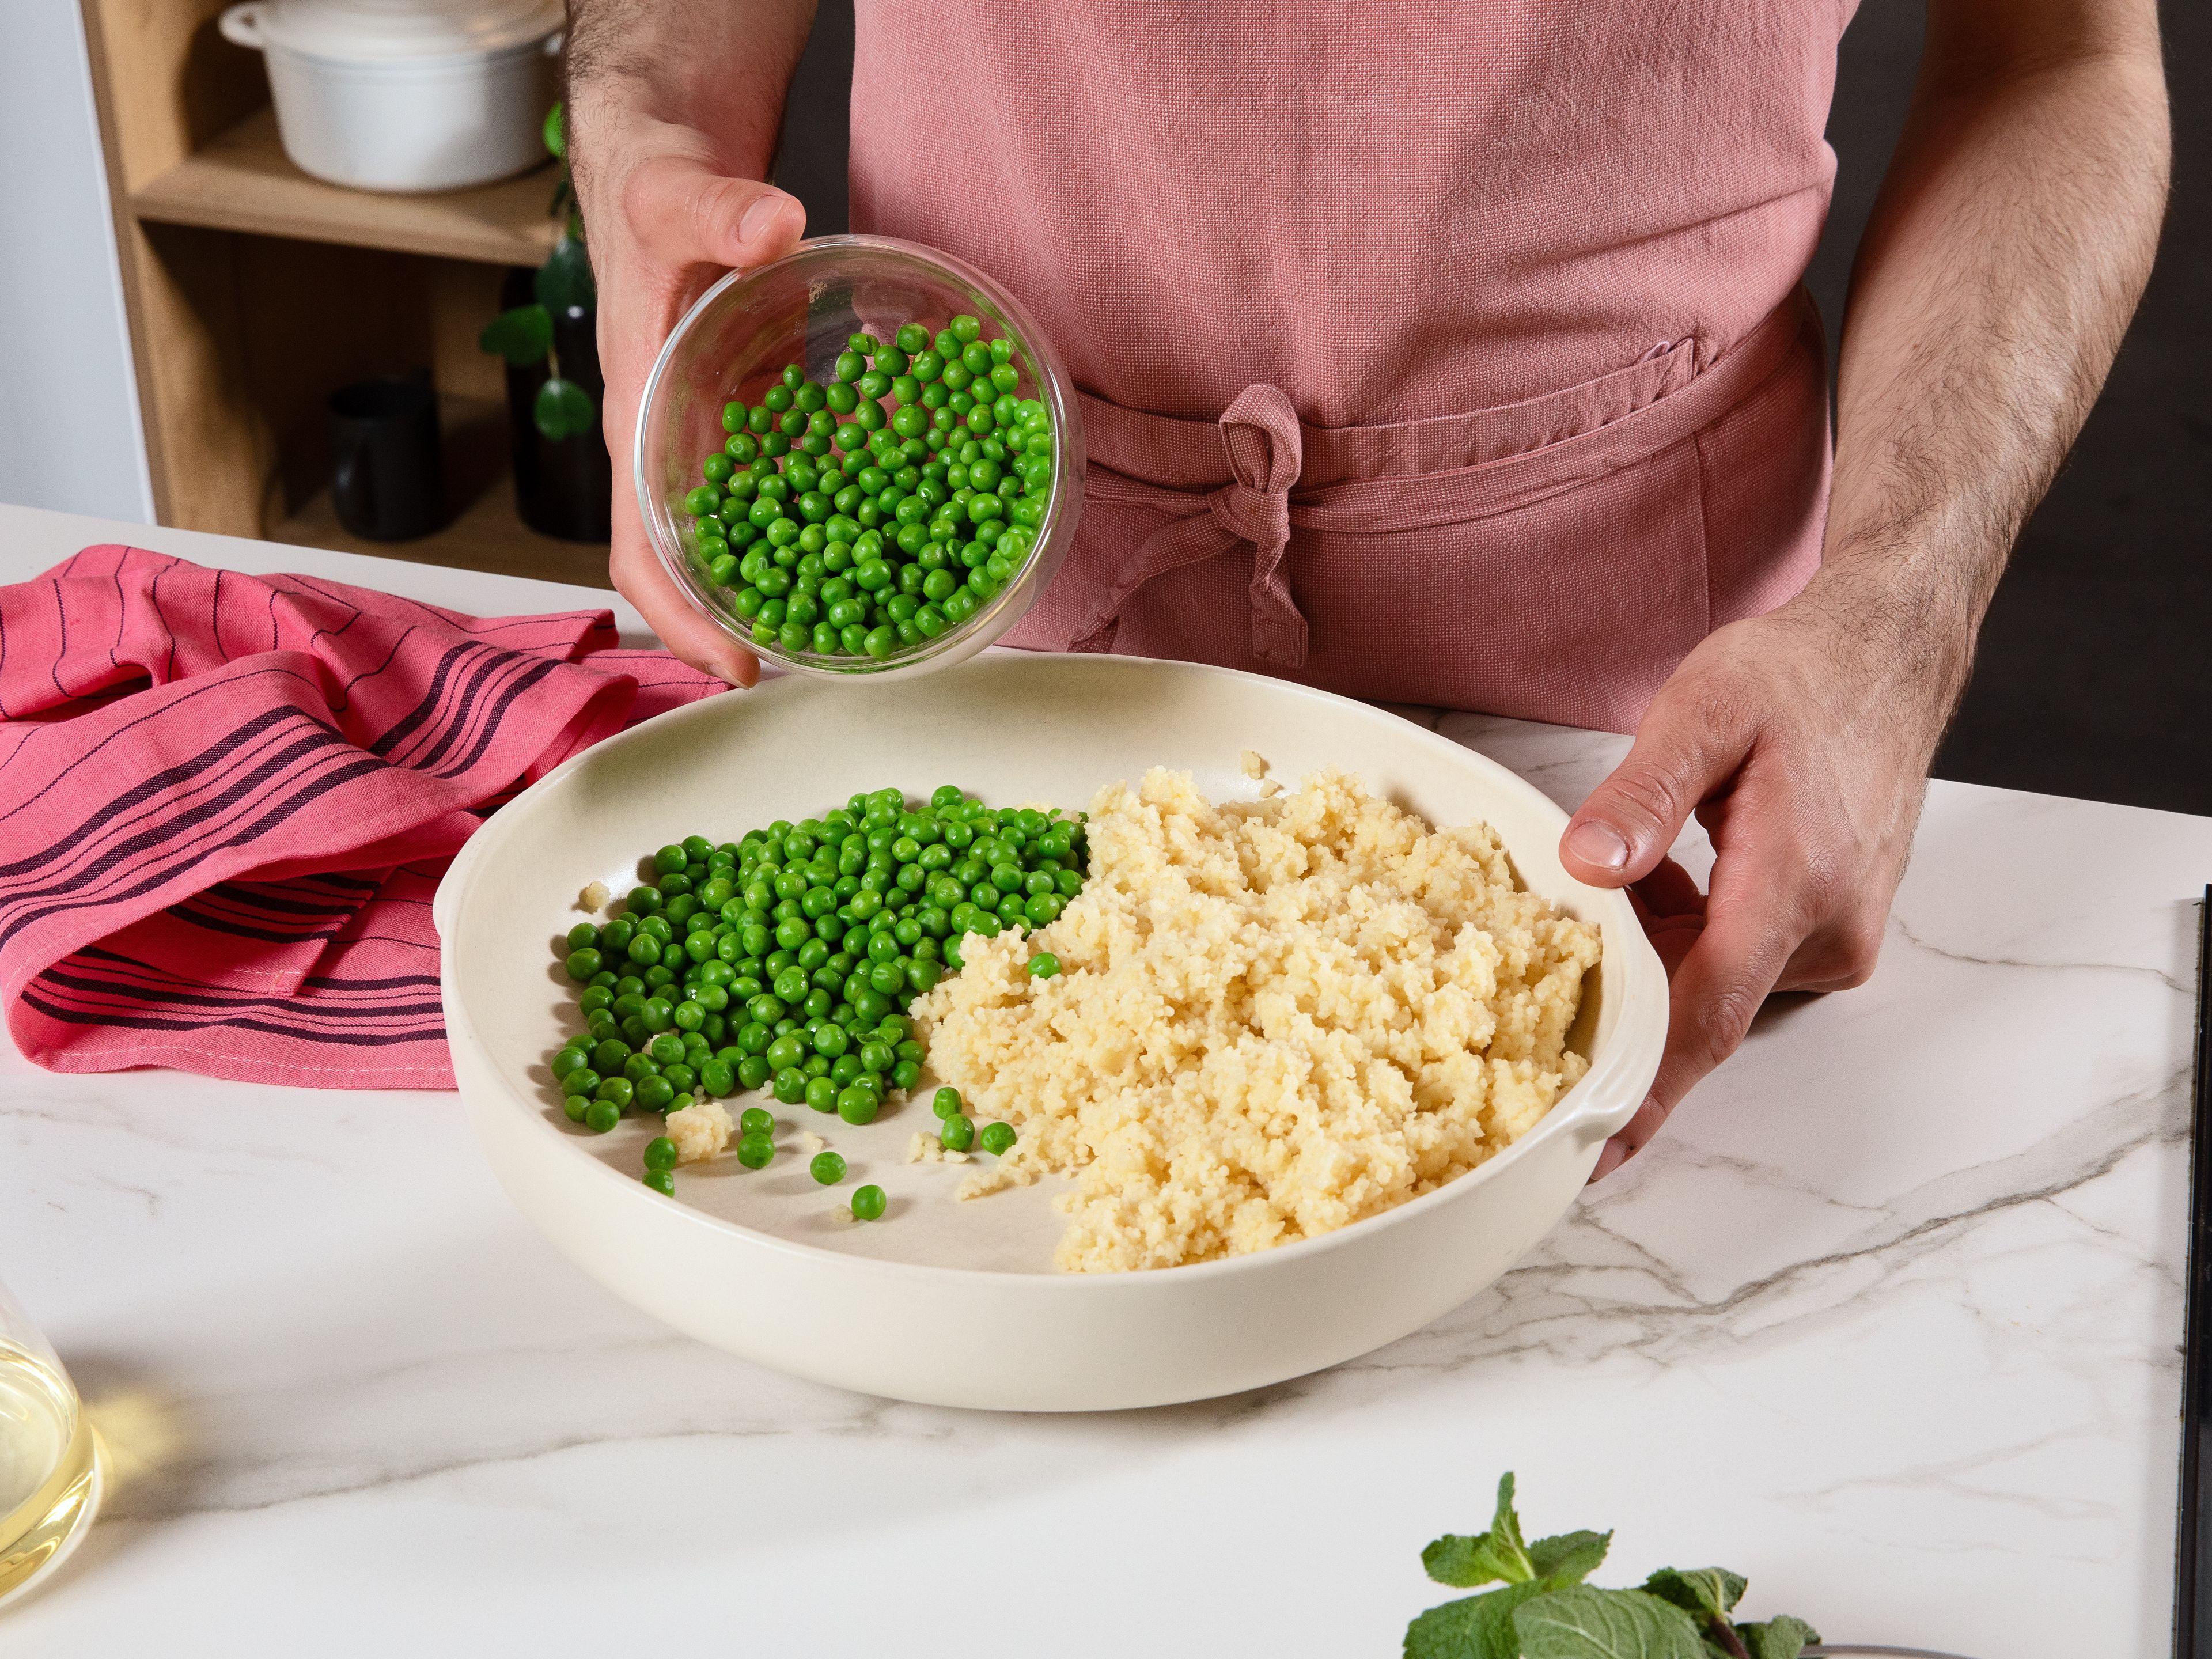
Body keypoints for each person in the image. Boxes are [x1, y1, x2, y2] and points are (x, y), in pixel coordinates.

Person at [564, 0, 2169, 1177]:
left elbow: (2057, 55)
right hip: (983, 631)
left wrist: (1895, 614)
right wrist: (650, 115)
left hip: (1651, 753)